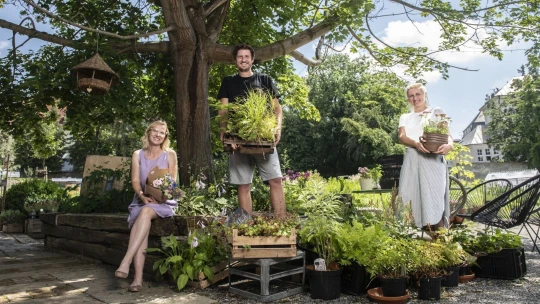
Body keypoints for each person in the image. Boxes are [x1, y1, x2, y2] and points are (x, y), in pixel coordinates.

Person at [217, 43, 286, 217]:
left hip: (263, 138)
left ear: (252, 59)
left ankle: (282, 223)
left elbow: (277, 109)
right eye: (240, 57)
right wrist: (225, 132)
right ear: (235, 60)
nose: (243, 59)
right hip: (238, 138)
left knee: (276, 180)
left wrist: (277, 128)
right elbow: (223, 109)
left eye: (247, 56)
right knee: (243, 184)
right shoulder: (228, 81)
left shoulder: (264, 80)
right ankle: (246, 227)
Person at [114, 120, 178, 292]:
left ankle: (128, 264)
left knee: (144, 214)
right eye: (155, 131)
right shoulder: (138, 154)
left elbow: (172, 182)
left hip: (164, 202)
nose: (158, 134)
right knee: (143, 215)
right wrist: (142, 196)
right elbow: (135, 181)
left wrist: (162, 194)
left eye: (162, 132)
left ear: (165, 136)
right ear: (148, 133)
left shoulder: (170, 154)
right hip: (142, 200)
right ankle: (136, 280)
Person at [397, 83, 453, 229]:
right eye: (411, 95)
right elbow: (402, 137)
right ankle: (416, 240)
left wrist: (450, 145)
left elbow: (447, 135)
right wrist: (416, 143)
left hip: (432, 162)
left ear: (425, 95)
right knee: (410, 198)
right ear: (408, 98)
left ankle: (442, 242)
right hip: (412, 161)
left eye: (418, 94)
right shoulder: (405, 117)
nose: (415, 98)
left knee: (434, 200)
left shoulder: (436, 111)